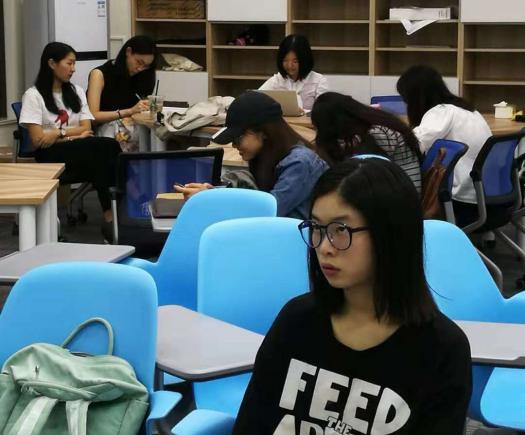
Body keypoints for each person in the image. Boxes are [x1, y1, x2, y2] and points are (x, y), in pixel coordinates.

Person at [233, 157, 472, 434]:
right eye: (317, 228)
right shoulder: (297, 320)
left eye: (341, 230)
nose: (324, 247)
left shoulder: (441, 349)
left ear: (390, 234)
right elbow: (252, 424)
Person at [175, 91, 328, 219]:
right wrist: (214, 193)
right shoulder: (269, 159)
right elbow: (256, 202)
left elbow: (268, 212)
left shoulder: (300, 163)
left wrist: (210, 200)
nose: (234, 145)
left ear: (263, 132)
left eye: (237, 139)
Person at [20, 42, 120, 236]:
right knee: (105, 147)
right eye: (69, 63)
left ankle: (112, 215)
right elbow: (38, 140)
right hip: (50, 155)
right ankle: (114, 213)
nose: (73, 69)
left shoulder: (77, 91)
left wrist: (55, 134)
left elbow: (86, 128)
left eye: (74, 64)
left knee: (102, 156)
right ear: (52, 63)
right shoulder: (33, 96)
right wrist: (67, 135)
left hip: (79, 151)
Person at [397, 65, 492, 226]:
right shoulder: (469, 110)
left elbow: (412, 144)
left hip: (463, 203)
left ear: (416, 98)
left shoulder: (441, 112)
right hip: (488, 197)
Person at [311, 92, 422, 192]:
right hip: (392, 190)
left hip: (403, 196)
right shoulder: (370, 125)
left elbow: (369, 177)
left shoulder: (379, 132)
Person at [87, 35, 158, 151]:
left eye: (146, 66)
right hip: (108, 134)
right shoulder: (99, 74)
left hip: (136, 131)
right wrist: (129, 111)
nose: (140, 68)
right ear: (128, 52)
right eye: (139, 62)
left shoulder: (143, 76)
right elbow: (93, 116)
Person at [259, 34, 328, 111]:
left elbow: (324, 111)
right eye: (285, 60)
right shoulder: (277, 80)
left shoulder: (319, 81)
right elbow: (256, 98)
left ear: (305, 60)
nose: (290, 66)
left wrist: (304, 112)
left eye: (295, 61)